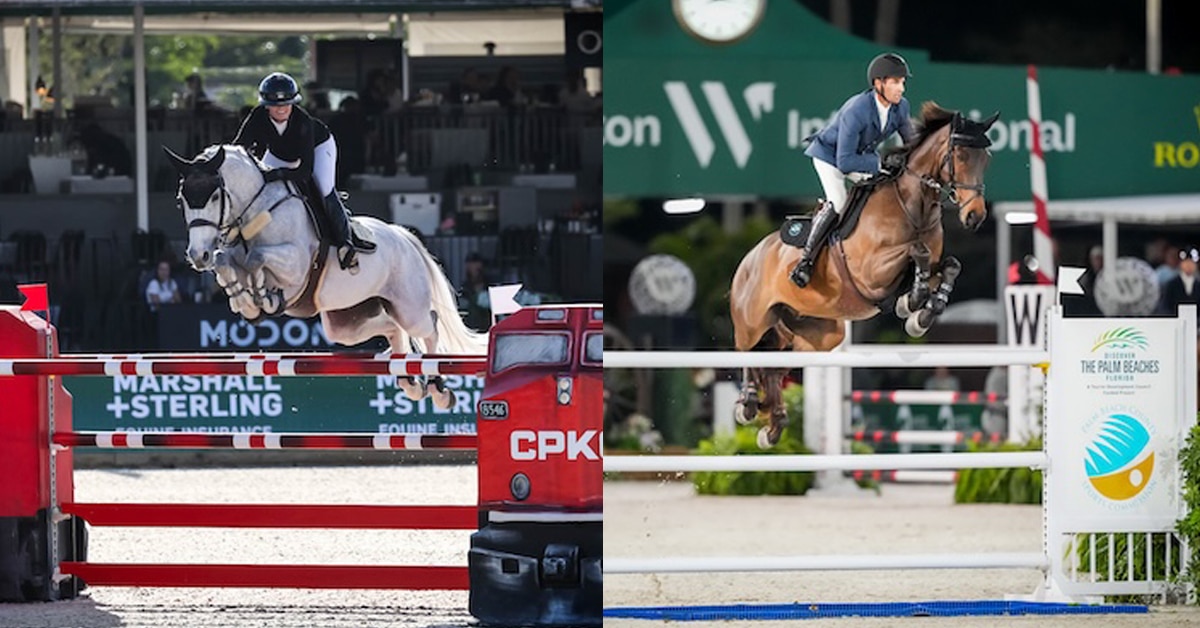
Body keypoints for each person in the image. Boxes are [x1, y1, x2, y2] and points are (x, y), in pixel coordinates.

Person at [792, 52, 917, 288]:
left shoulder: (901, 107)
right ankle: (805, 261)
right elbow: (845, 162)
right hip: (831, 158)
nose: (902, 88)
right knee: (838, 203)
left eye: (903, 82)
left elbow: (912, 143)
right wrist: (880, 163)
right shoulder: (857, 110)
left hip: (859, 157)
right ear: (879, 83)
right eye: (896, 82)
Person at [232, 71, 374, 272]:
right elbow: (238, 149)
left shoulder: (302, 121)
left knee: (323, 188)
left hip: (318, 148)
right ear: (265, 105)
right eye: (275, 105)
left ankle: (345, 242)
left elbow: (304, 171)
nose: (281, 109)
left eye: (286, 104)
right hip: (280, 153)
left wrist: (276, 174)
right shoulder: (257, 117)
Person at [1160, 246, 1200, 316]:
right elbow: (1165, 307)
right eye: (1186, 262)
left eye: (1192, 262)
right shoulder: (1171, 285)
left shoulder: (1198, 285)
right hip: (1175, 323)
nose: (1189, 265)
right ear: (1180, 263)